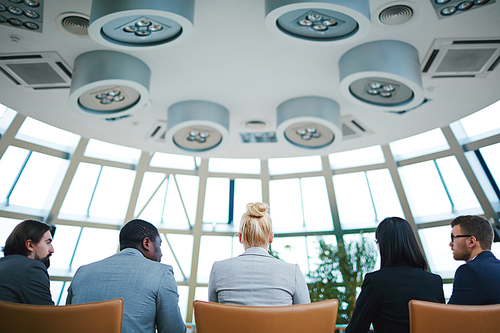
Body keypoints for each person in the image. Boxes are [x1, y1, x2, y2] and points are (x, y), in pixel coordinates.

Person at [66, 219, 186, 333]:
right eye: (159, 245)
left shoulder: (82, 272)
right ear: (146, 243)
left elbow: (67, 321)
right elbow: (174, 330)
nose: (161, 253)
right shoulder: (162, 273)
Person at [346, 217, 444, 333]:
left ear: (383, 244)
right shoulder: (435, 281)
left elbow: (354, 330)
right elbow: (441, 325)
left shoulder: (375, 281)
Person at [208, 202, 310, 306]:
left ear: (240, 237)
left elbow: (212, 317)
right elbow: (306, 317)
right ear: (271, 237)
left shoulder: (218, 269)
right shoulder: (293, 272)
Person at [448, 215, 500, 305]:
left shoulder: (469, 271)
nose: (450, 244)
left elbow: (450, 315)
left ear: (471, 241)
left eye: (453, 238)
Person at [0, 219, 54, 305]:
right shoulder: (32, 268)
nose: (52, 250)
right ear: (30, 245)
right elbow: (48, 315)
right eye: (47, 242)